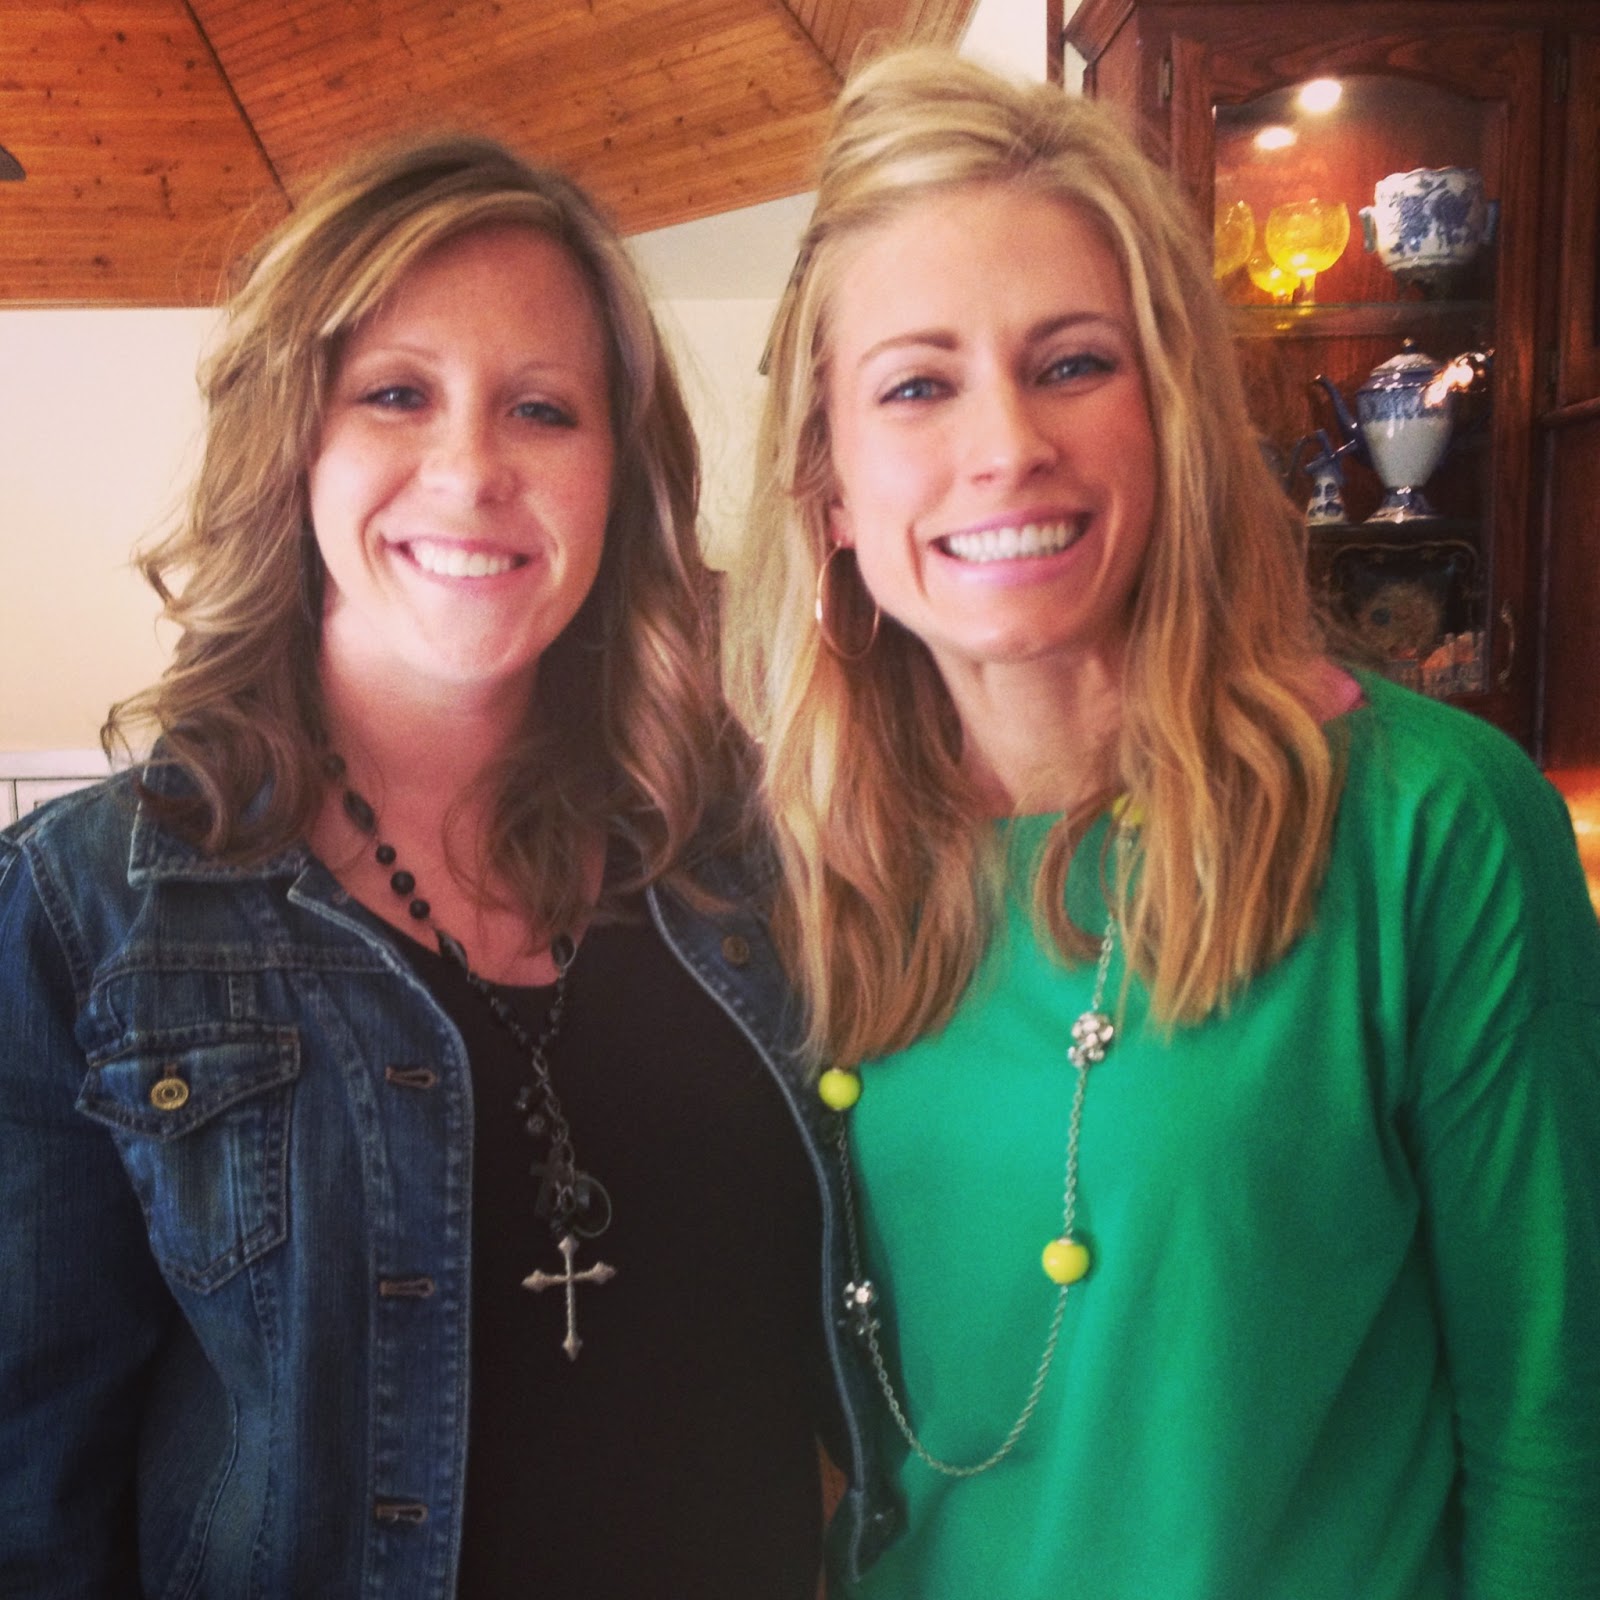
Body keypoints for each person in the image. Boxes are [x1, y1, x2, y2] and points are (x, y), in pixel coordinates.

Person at [724, 47, 1600, 1600]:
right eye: (917, 385)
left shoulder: (1434, 826)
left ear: (1174, 417)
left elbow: (1555, 1430)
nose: (1008, 445)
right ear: (831, 491)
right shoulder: (779, 873)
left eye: (1073, 363)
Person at [0, 134, 877, 1598]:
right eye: (396, 394)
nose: (471, 470)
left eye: (542, 408)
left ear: (619, 475)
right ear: (293, 445)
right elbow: (29, 1507)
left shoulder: (752, 854)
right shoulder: (81, 916)